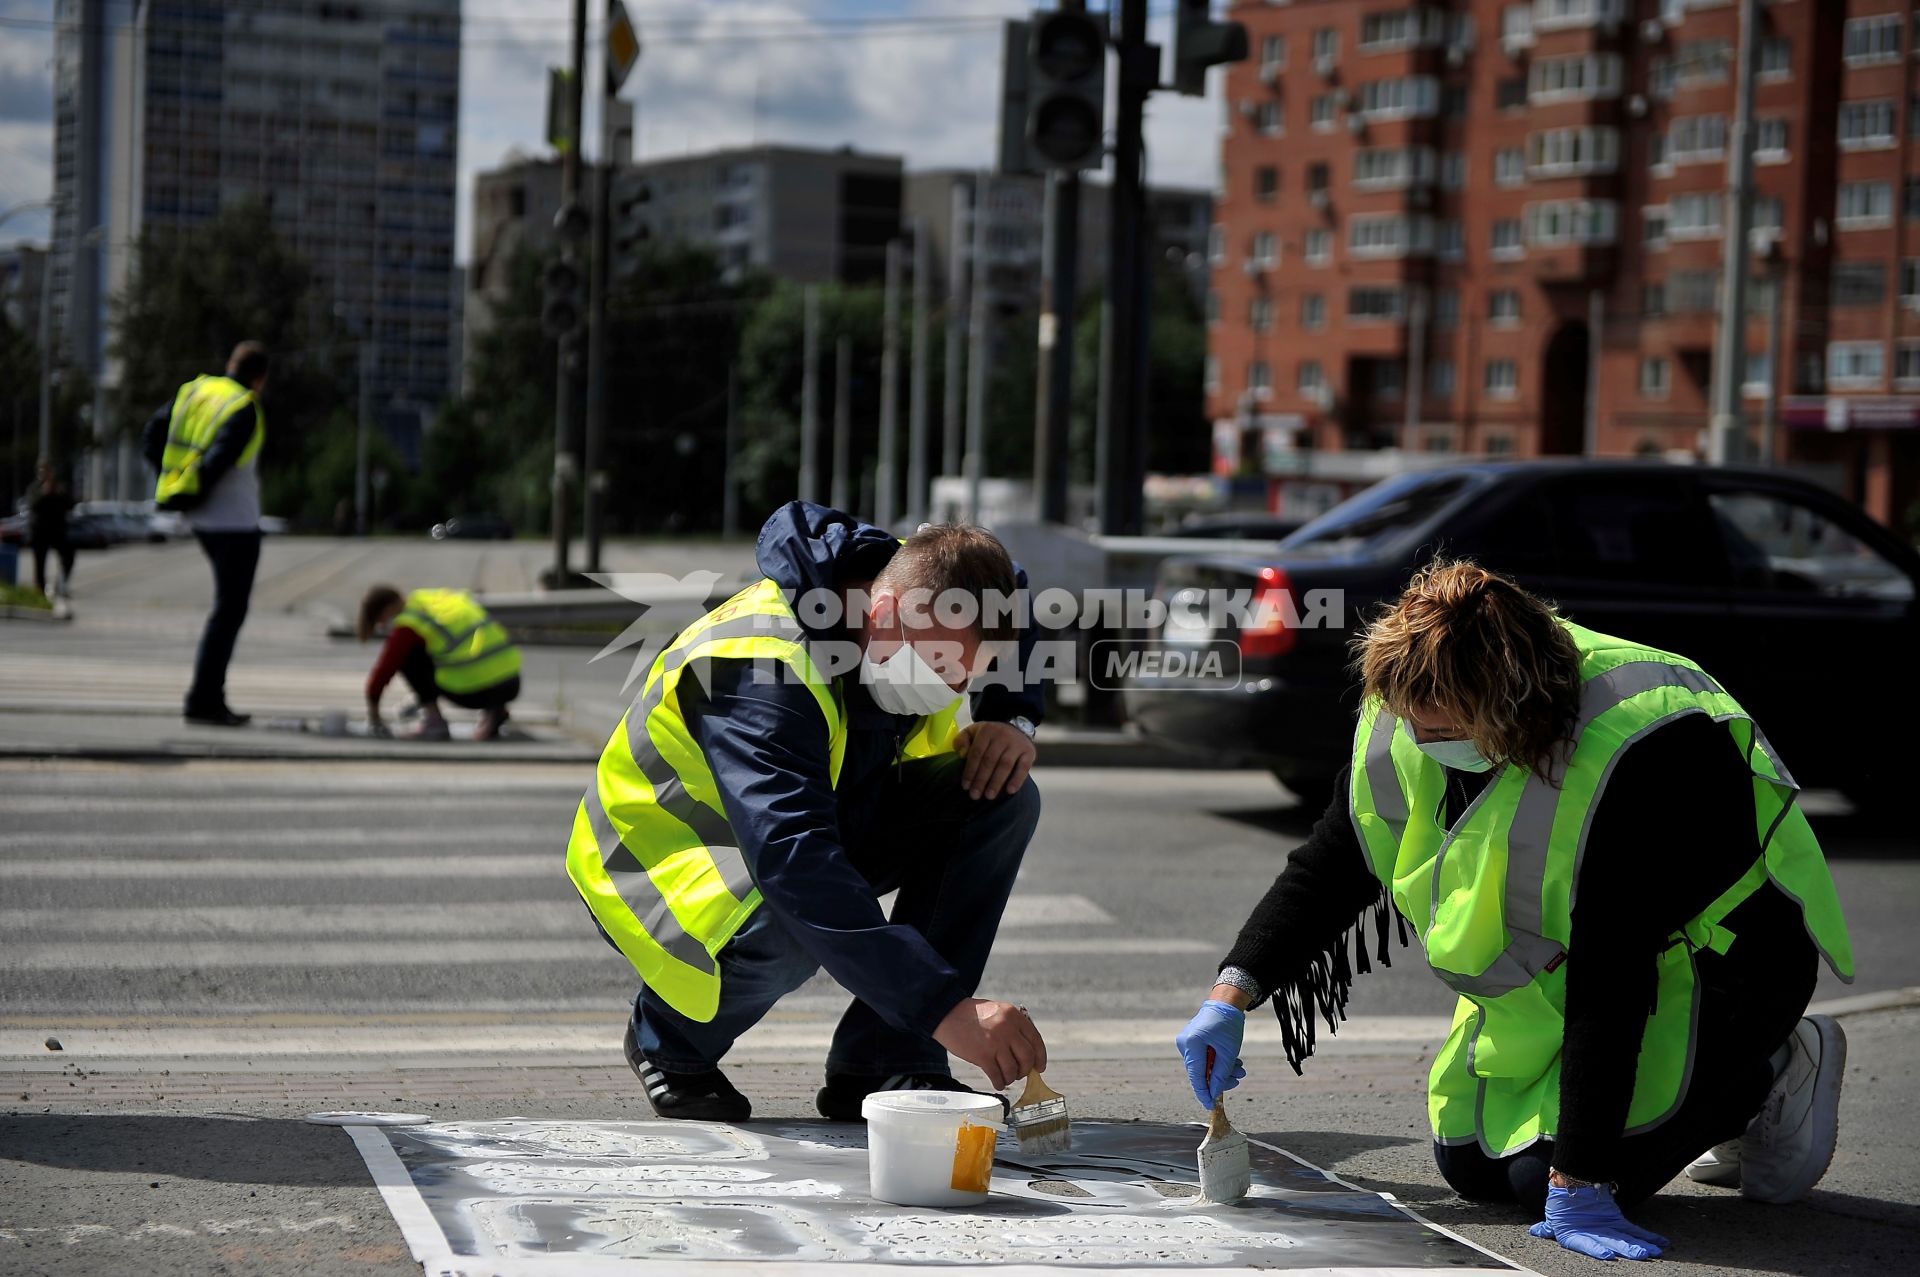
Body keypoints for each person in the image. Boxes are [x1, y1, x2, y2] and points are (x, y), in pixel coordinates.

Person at [1176, 560, 1853, 1262]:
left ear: (1514, 706)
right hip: (1563, 984)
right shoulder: (1411, 699)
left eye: (1444, 730)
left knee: (1540, 1179)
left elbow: (1612, 969)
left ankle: (1773, 1062)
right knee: (1471, 1167)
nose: (1422, 742)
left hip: (1725, 967)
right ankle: (1691, 1100)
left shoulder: (1642, 746)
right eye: (1414, 725)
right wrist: (1233, 992)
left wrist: (1580, 1180)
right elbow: (1330, 867)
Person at [568, 502, 1048, 1123]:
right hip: (668, 861)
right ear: (882, 614)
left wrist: (1010, 714)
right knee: (795, 923)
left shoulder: (918, 577)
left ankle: (884, 1062)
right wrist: (947, 1010)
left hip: (818, 814)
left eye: (968, 674)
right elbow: (796, 861)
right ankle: (670, 1041)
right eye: (938, 668)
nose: (953, 692)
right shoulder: (760, 669)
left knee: (1001, 795)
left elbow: (1019, 593)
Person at [141, 340, 271, 727]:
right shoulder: (242, 405)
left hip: (201, 521)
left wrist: (174, 484)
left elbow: (152, 436)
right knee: (229, 612)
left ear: (230, 363)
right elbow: (220, 459)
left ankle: (206, 697)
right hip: (235, 522)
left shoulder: (194, 390)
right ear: (260, 378)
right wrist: (196, 491)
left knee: (225, 610)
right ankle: (205, 700)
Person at [357, 584, 522, 741]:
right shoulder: (436, 600)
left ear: (387, 609)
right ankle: (496, 710)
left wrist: (374, 715)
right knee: (445, 653)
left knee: (408, 657)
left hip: (474, 691)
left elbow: (384, 671)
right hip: (512, 682)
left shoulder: (409, 625)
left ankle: (434, 722)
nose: (386, 625)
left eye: (382, 621)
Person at [24, 458, 76, 599]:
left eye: (48, 470)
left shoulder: (59, 487)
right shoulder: (35, 488)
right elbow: (32, 505)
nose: (45, 474)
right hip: (40, 531)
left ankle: (60, 583)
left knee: (68, 555)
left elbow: (70, 504)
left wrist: (59, 492)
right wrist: (44, 493)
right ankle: (40, 589)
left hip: (57, 530)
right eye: (42, 471)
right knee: (39, 563)